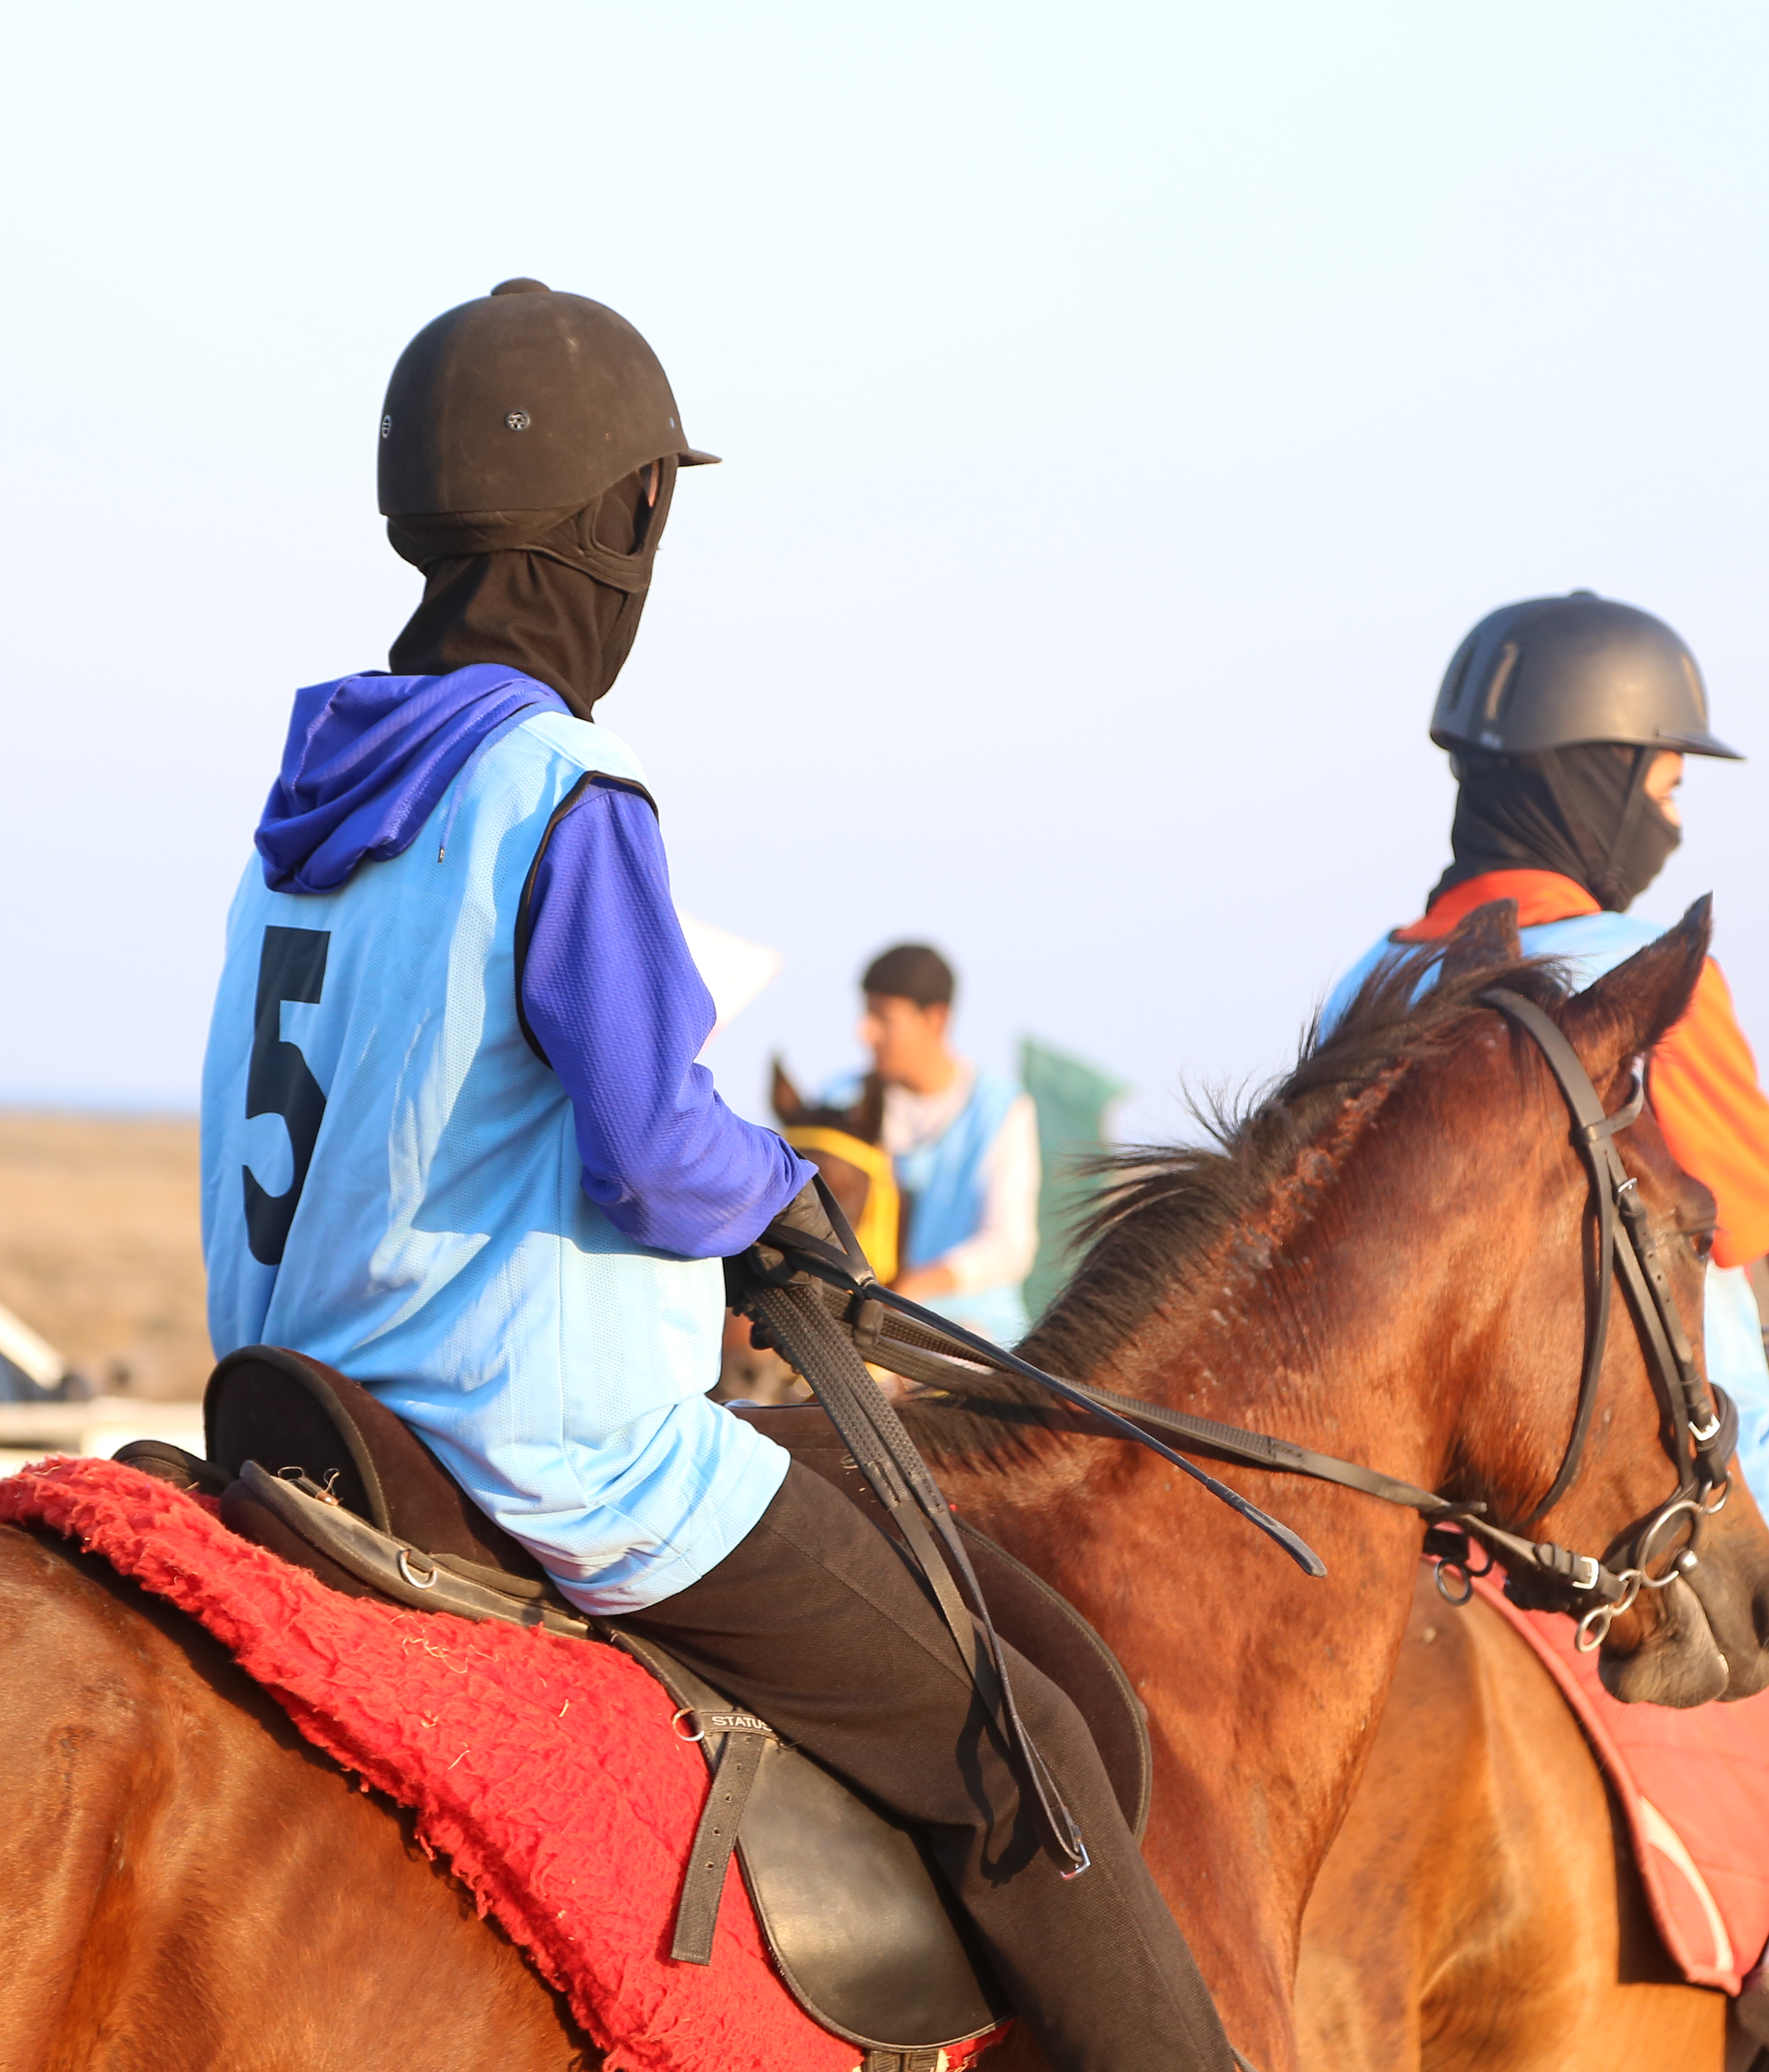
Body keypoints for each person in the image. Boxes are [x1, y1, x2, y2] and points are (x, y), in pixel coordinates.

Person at [197, 279, 1230, 2072]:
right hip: (542, 1452)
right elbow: (655, 1147)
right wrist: (784, 1203)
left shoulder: (305, 808)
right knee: (1027, 1755)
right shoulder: (561, 785)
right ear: (628, 522)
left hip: (304, 1411)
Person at [1323, 592, 1769, 2072]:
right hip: (1660, 1481)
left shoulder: (1377, 976)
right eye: (1665, 782)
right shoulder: (1643, 972)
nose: (1672, 819)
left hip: (1431, 1492)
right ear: (1592, 775)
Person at [810, 943, 1041, 1344]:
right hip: (853, 1321)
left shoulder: (1002, 1108)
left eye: (883, 1017)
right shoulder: (840, 1101)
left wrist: (912, 1289)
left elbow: (1009, 1244)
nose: (865, 1033)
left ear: (935, 1020)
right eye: (866, 1014)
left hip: (968, 1331)